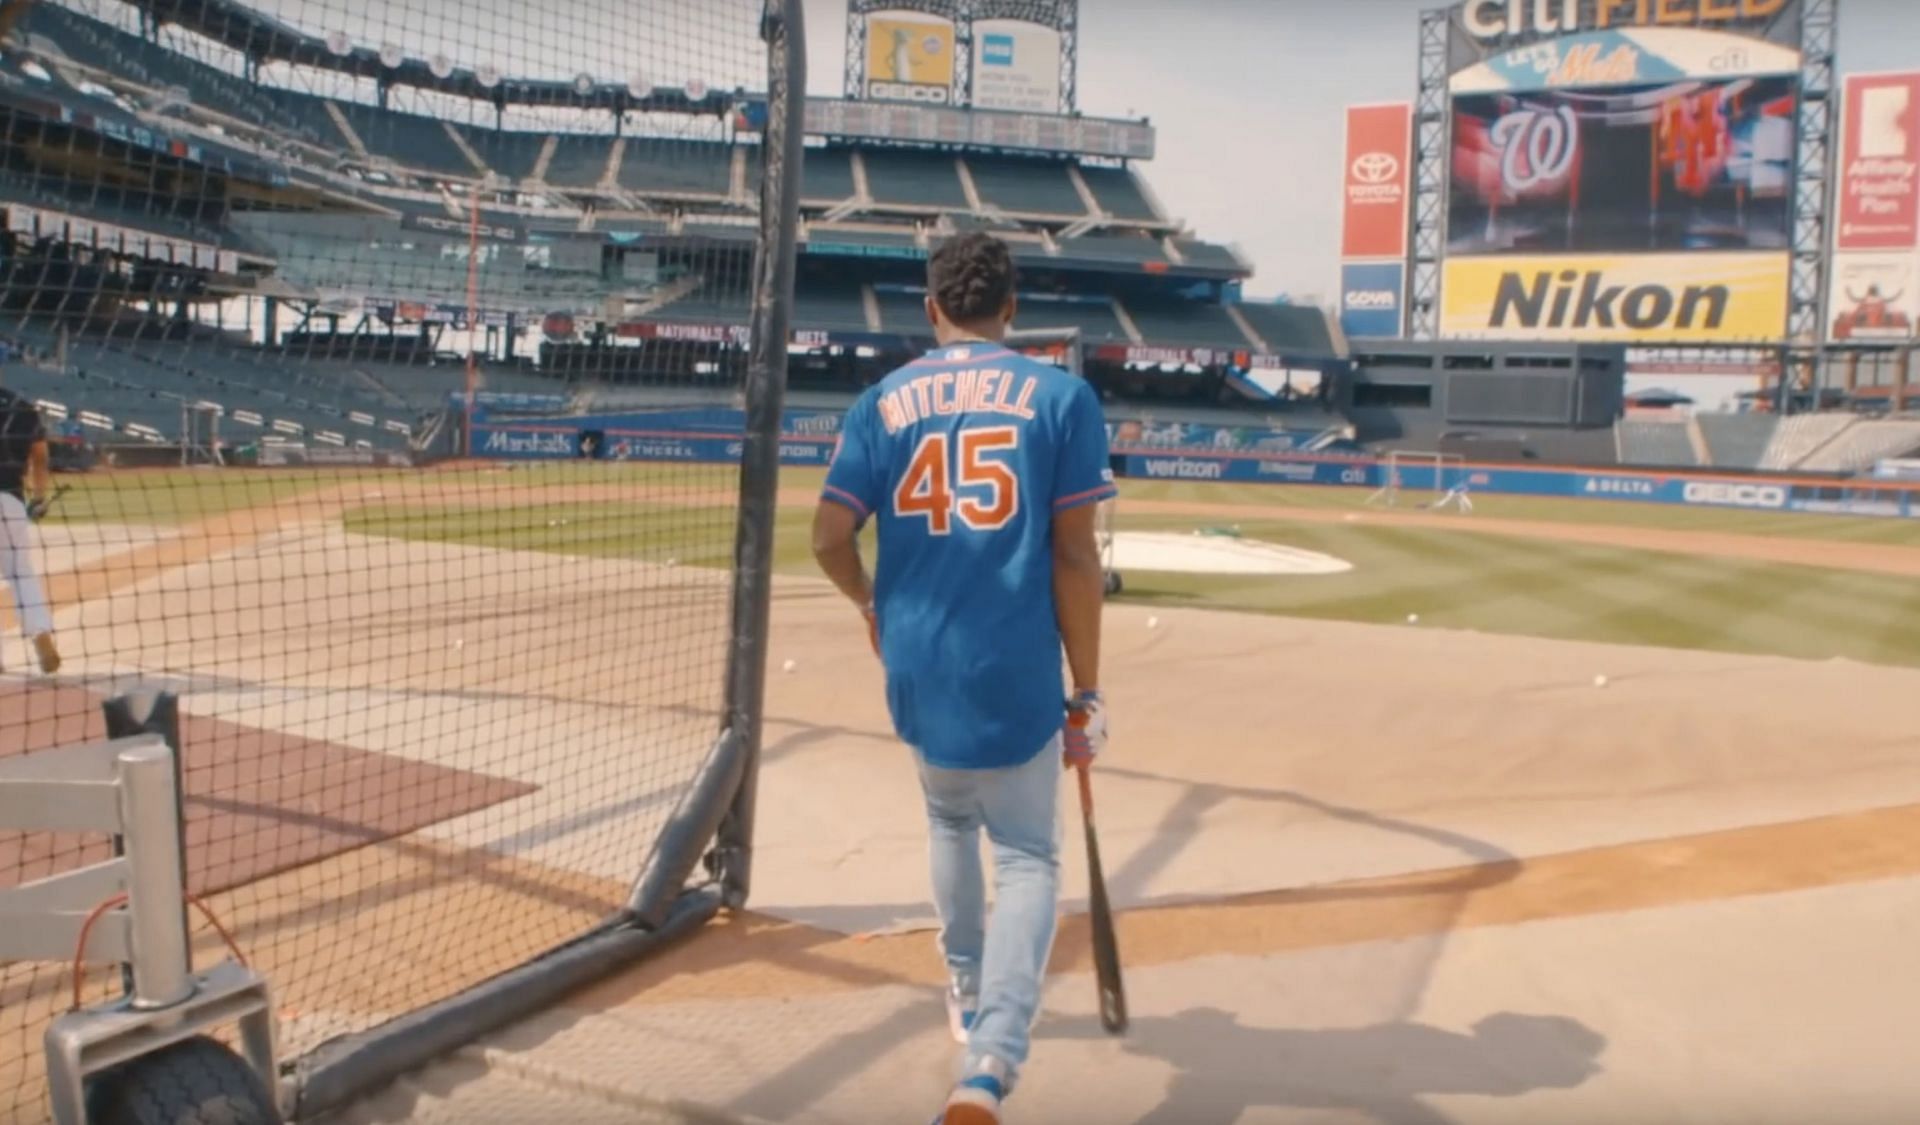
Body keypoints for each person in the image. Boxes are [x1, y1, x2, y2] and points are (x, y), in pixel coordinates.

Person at [811, 232, 1114, 1125]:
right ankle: (990, 1060)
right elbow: (1073, 554)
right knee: (1025, 854)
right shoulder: (1062, 395)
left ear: (932, 309)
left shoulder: (881, 399)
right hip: (1012, 665)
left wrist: (871, 604)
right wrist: (1088, 691)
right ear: (1011, 309)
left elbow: (829, 537)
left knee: (947, 816)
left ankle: (967, 986)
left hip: (915, 659)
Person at [0, 368, 62, 675]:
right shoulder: (22, 406)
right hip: (10, 499)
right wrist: (38, 497)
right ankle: (40, 632)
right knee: (20, 573)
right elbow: (40, 457)